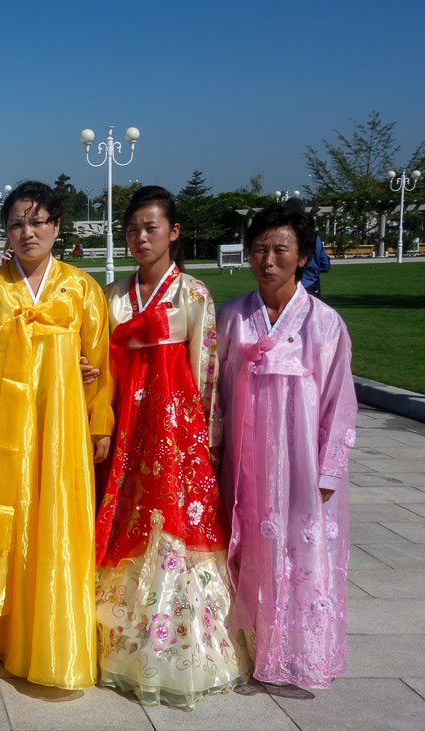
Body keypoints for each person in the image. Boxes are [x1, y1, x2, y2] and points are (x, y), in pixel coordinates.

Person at [0, 181, 113, 689]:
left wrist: (99, 422)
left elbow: (100, 363)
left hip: (59, 428)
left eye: (37, 222)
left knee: (54, 523)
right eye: (16, 223)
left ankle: (50, 645)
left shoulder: (81, 288)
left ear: (56, 227)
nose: (27, 232)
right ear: (5, 231)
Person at [94, 186, 248, 708]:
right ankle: (119, 637)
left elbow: (207, 372)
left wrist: (206, 443)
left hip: (174, 431)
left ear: (173, 232)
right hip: (126, 427)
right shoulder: (113, 295)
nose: (141, 237)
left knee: (173, 524)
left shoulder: (192, 295)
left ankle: (180, 644)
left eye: (152, 227)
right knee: (126, 519)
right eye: (134, 228)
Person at [218, 202, 357, 688]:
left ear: (302, 257)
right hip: (245, 462)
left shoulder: (324, 323)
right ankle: (253, 648)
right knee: (250, 547)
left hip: (300, 466)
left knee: (302, 552)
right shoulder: (232, 318)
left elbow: (340, 403)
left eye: (280, 250)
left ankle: (298, 652)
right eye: (259, 249)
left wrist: (328, 471)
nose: (268, 260)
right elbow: (213, 392)